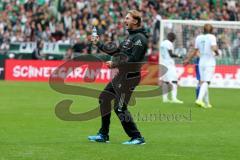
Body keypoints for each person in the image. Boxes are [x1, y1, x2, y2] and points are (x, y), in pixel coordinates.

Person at [88, 10, 148, 145]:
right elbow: (116, 52)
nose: (124, 20)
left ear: (135, 21)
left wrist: (115, 64)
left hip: (130, 77)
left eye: (127, 18)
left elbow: (134, 59)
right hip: (122, 75)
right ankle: (103, 135)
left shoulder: (140, 39)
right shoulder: (130, 38)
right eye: (125, 18)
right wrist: (98, 44)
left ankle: (137, 137)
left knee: (120, 108)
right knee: (104, 98)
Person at [184, 24, 219, 108]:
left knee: (203, 82)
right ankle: (199, 99)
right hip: (209, 62)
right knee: (207, 82)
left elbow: (195, 51)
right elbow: (214, 47)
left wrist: (188, 59)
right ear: (211, 30)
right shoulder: (212, 37)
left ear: (204, 30)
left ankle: (207, 103)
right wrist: (217, 53)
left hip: (201, 62)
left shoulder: (198, 38)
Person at [160, 32, 183, 104]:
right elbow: (171, 54)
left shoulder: (162, 43)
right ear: (172, 38)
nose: (174, 40)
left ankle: (165, 99)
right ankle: (174, 98)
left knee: (165, 82)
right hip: (169, 64)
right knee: (174, 81)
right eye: (174, 39)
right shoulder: (169, 43)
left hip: (163, 63)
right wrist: (179, 56)